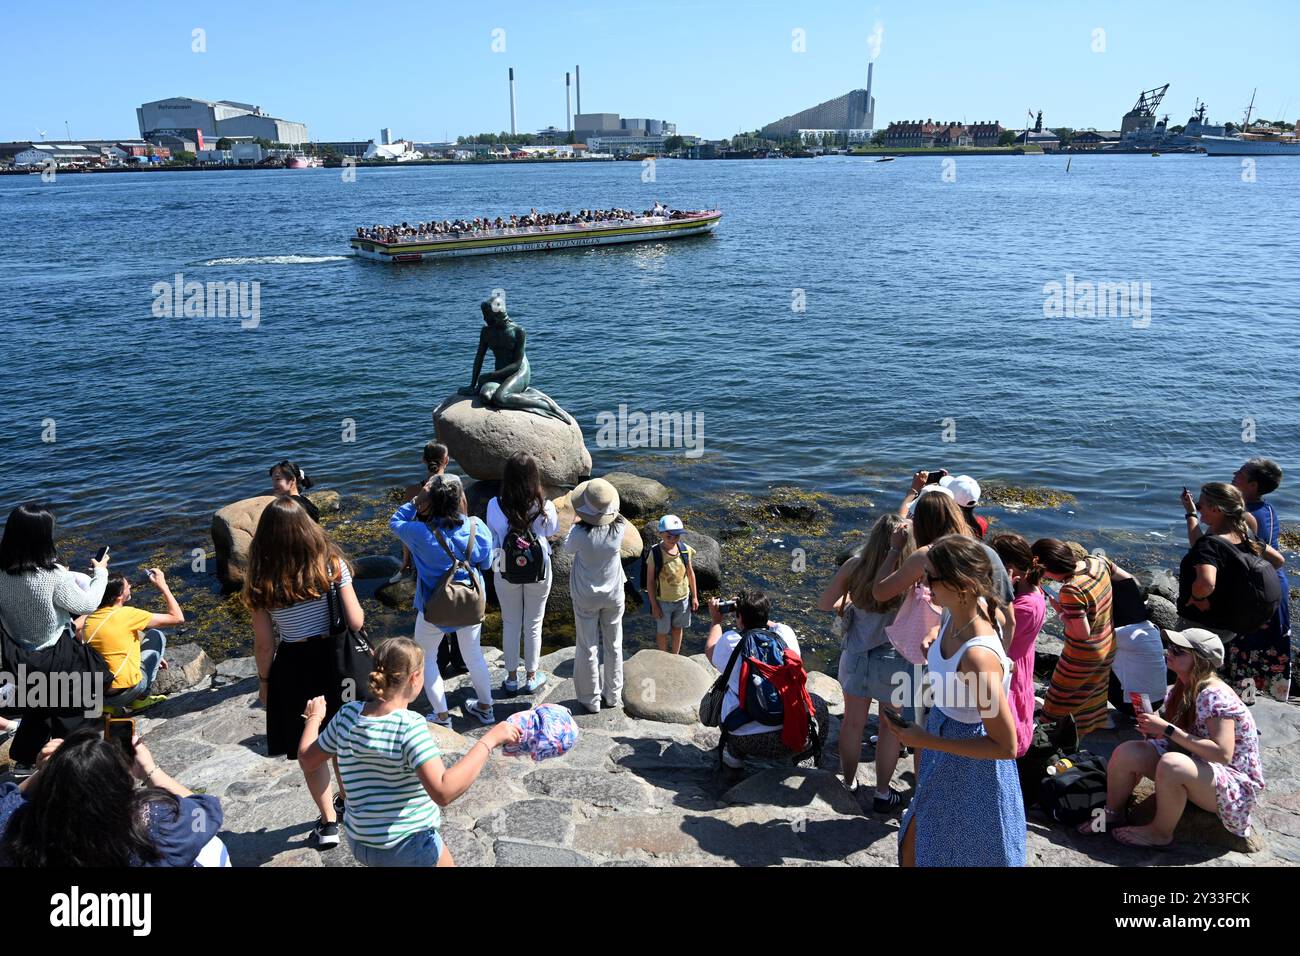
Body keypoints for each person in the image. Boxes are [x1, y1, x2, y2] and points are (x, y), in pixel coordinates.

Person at [298, 638, 520, 867]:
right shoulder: (409, 726)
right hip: (407, 845)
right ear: (415, 678)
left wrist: (314, 719)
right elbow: (444, 791)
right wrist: (489, 740)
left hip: (362, 843)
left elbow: (307, 760)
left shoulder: (347, 714)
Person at [891, 535, 1025, 867]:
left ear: (962, 584)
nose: (923, 581)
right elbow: (951, 631)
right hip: (943, 740)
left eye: (931, 576)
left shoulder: (978, 659)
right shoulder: (956, 611)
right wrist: (934, 637)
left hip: (971, 765)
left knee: (950, 851)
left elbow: (1005, 745)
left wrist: (927, 740)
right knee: (919, 843)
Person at [244, 496, 364, 849]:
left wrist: (265, 684)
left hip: (295, 666)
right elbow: (356, 621)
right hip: (336, 663)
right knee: (340, 737)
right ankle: (351, 803)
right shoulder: (333, 566)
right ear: (308, 528)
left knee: (310, 747)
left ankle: (328, 824)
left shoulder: (261, 581)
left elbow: (265, 644)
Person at [1085, 628, 1264, 848]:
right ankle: (1112, 813)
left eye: (1178, 651)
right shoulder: (1181, 687)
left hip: (1233, 784)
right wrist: (1156, 731)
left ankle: (1160, 832)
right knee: (1127, 752)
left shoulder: (1215, 695)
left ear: (1199, 660)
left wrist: (1168, 730)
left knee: (1173, 765)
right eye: (1170, 647)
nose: (1169, 652)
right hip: (1198, 764)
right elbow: (1181, 737)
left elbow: (1223, 754)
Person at [0, 729, 225, 866]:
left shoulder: (15, 827)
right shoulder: (151, 824)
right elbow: (205, 812)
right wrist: (150, 770)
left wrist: (49, 772)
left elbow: (6, 795)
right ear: (119, 786)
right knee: (213, 846)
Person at [816, 514, 917, 811]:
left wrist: (847, 601)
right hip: (894, 659)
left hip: (857, 655)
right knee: (890, 728)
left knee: (853, 722)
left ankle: (848, 782)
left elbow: (824, 604)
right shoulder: (909, 574)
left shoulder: (854, 566)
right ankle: (883, 793)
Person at [0, 503, 110, 774]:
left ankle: (25, 760)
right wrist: (101, 572)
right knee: (75, 706)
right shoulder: (53, 576)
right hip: (58, 654)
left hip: (18, 655)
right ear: (43, 537)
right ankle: (77, 761)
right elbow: (88, 604)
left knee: (38, 706)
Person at [390, 475, 496, 726]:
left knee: (427, 658)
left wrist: (417, 499)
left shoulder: (419, 532)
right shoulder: (476, 526)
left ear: (431, 501)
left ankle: (442, 716)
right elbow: (487, 563)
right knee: (474, 655)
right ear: (460, 498)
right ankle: (486, 708)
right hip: (470, 600)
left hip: (434, 606)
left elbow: (395, 522)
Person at [873, 482, 1016, 651]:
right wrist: (1003, 656)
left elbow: (880, 592)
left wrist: (895, 550)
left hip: (940, 645)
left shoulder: (927, 555)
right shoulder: (985, 552)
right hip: (979, 641)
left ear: (921, 524)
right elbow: (1009, 619)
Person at [705, 591, 828, 769]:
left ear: (739, 617)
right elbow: (774, 625)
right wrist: (756, 612)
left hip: (746, 740)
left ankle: (734, 755)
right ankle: (805, 757)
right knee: (819, 704)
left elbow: (710, 650)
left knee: (725, 692)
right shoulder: (786, 636)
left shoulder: (731, 642)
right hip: (791, 737)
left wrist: (716, 621)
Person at [1177, 482, 1285, 647]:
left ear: (1216, 510)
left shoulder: (1209, 545)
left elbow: (1206, 583)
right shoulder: (1246, 536)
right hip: (1228, 625)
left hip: (1202, 625)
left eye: (1201, 505)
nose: (1199, 509)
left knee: (1189, 668)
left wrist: (1198, 598)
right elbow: (1278, 561)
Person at [486, 452, 559, 695]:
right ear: (534, 477)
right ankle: (530, 676)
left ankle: (510, 678)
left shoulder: (494, 504)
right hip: (539, 567)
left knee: (510, 622)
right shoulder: (545, 506)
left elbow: (493, 535)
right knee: (534, 623)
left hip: (504, 565)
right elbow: (551, 533)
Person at [1031, 538, 1116, 738]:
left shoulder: (1071, 589)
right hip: (1107, 640)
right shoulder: (1096, 562)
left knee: (1060, 693)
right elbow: (1119, 574)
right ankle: (1095, 721)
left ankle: (1051, 729)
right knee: (1094, 687)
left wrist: (1060, 611)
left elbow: (1081, 633)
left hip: (1084, 653)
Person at [563, 478, 627, 714]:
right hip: (613, 593)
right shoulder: (619, 528)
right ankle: (613, 694)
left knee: (587, 646)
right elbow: (613, 516)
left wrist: (575, 521)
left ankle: (590, 699)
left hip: (586, 596)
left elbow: (567, 549)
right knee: (614, 644)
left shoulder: (579, 533)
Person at [1229, 459, 1291, 701]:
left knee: (1244, 648)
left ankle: (1242, 707)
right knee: (1270, 647)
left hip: (1256, 593)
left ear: (1252, 485)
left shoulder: (1242, 517)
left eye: (1241, 473)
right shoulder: (1268, 509)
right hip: (1276, 586)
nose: (1234, 474)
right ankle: (1270, 701)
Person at [81, 569, 182, 711]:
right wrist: (163, 586)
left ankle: (108, 708)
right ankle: (140, 699)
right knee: (156, 635)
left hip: (99, 694)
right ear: (119, 597)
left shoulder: (89, 619)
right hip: (125, 693)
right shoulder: (128, 614)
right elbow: (177, 618)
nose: (130, 587)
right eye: (128, 586)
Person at [987, 532, 1044, 757]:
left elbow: (996, 632)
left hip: (1011, 665)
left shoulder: (1022, 607)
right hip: (1022, 657)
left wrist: (1000, 594)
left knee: (1006, 717)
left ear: (1007, 567)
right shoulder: (1034, 590)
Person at [645, 514, 698, 655]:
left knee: (678, 628)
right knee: (662, 631)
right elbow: (649, 581)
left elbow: (691, 573)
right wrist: (654, 605)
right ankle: (663, 656)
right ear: (661, 534)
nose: (673, 539)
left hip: (683, 599)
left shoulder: (685, 550)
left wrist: (694, 597)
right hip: (663, 601)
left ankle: (675, 656)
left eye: (677, 536)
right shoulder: (655, 553)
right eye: (669, 536)